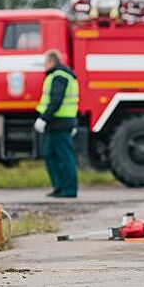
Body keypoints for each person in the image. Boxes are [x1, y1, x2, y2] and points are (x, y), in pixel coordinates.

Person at [34, 50, 79, 198]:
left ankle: (69, 189)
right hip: (58, 123)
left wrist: (44, 118)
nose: (44, 66)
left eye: (45, 62)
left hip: (60, 122)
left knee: (64, 157)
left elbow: (56, 100)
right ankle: (59, 187)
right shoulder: (59, 75)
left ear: (52, 62)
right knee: (50, 155)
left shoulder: (59, 76)